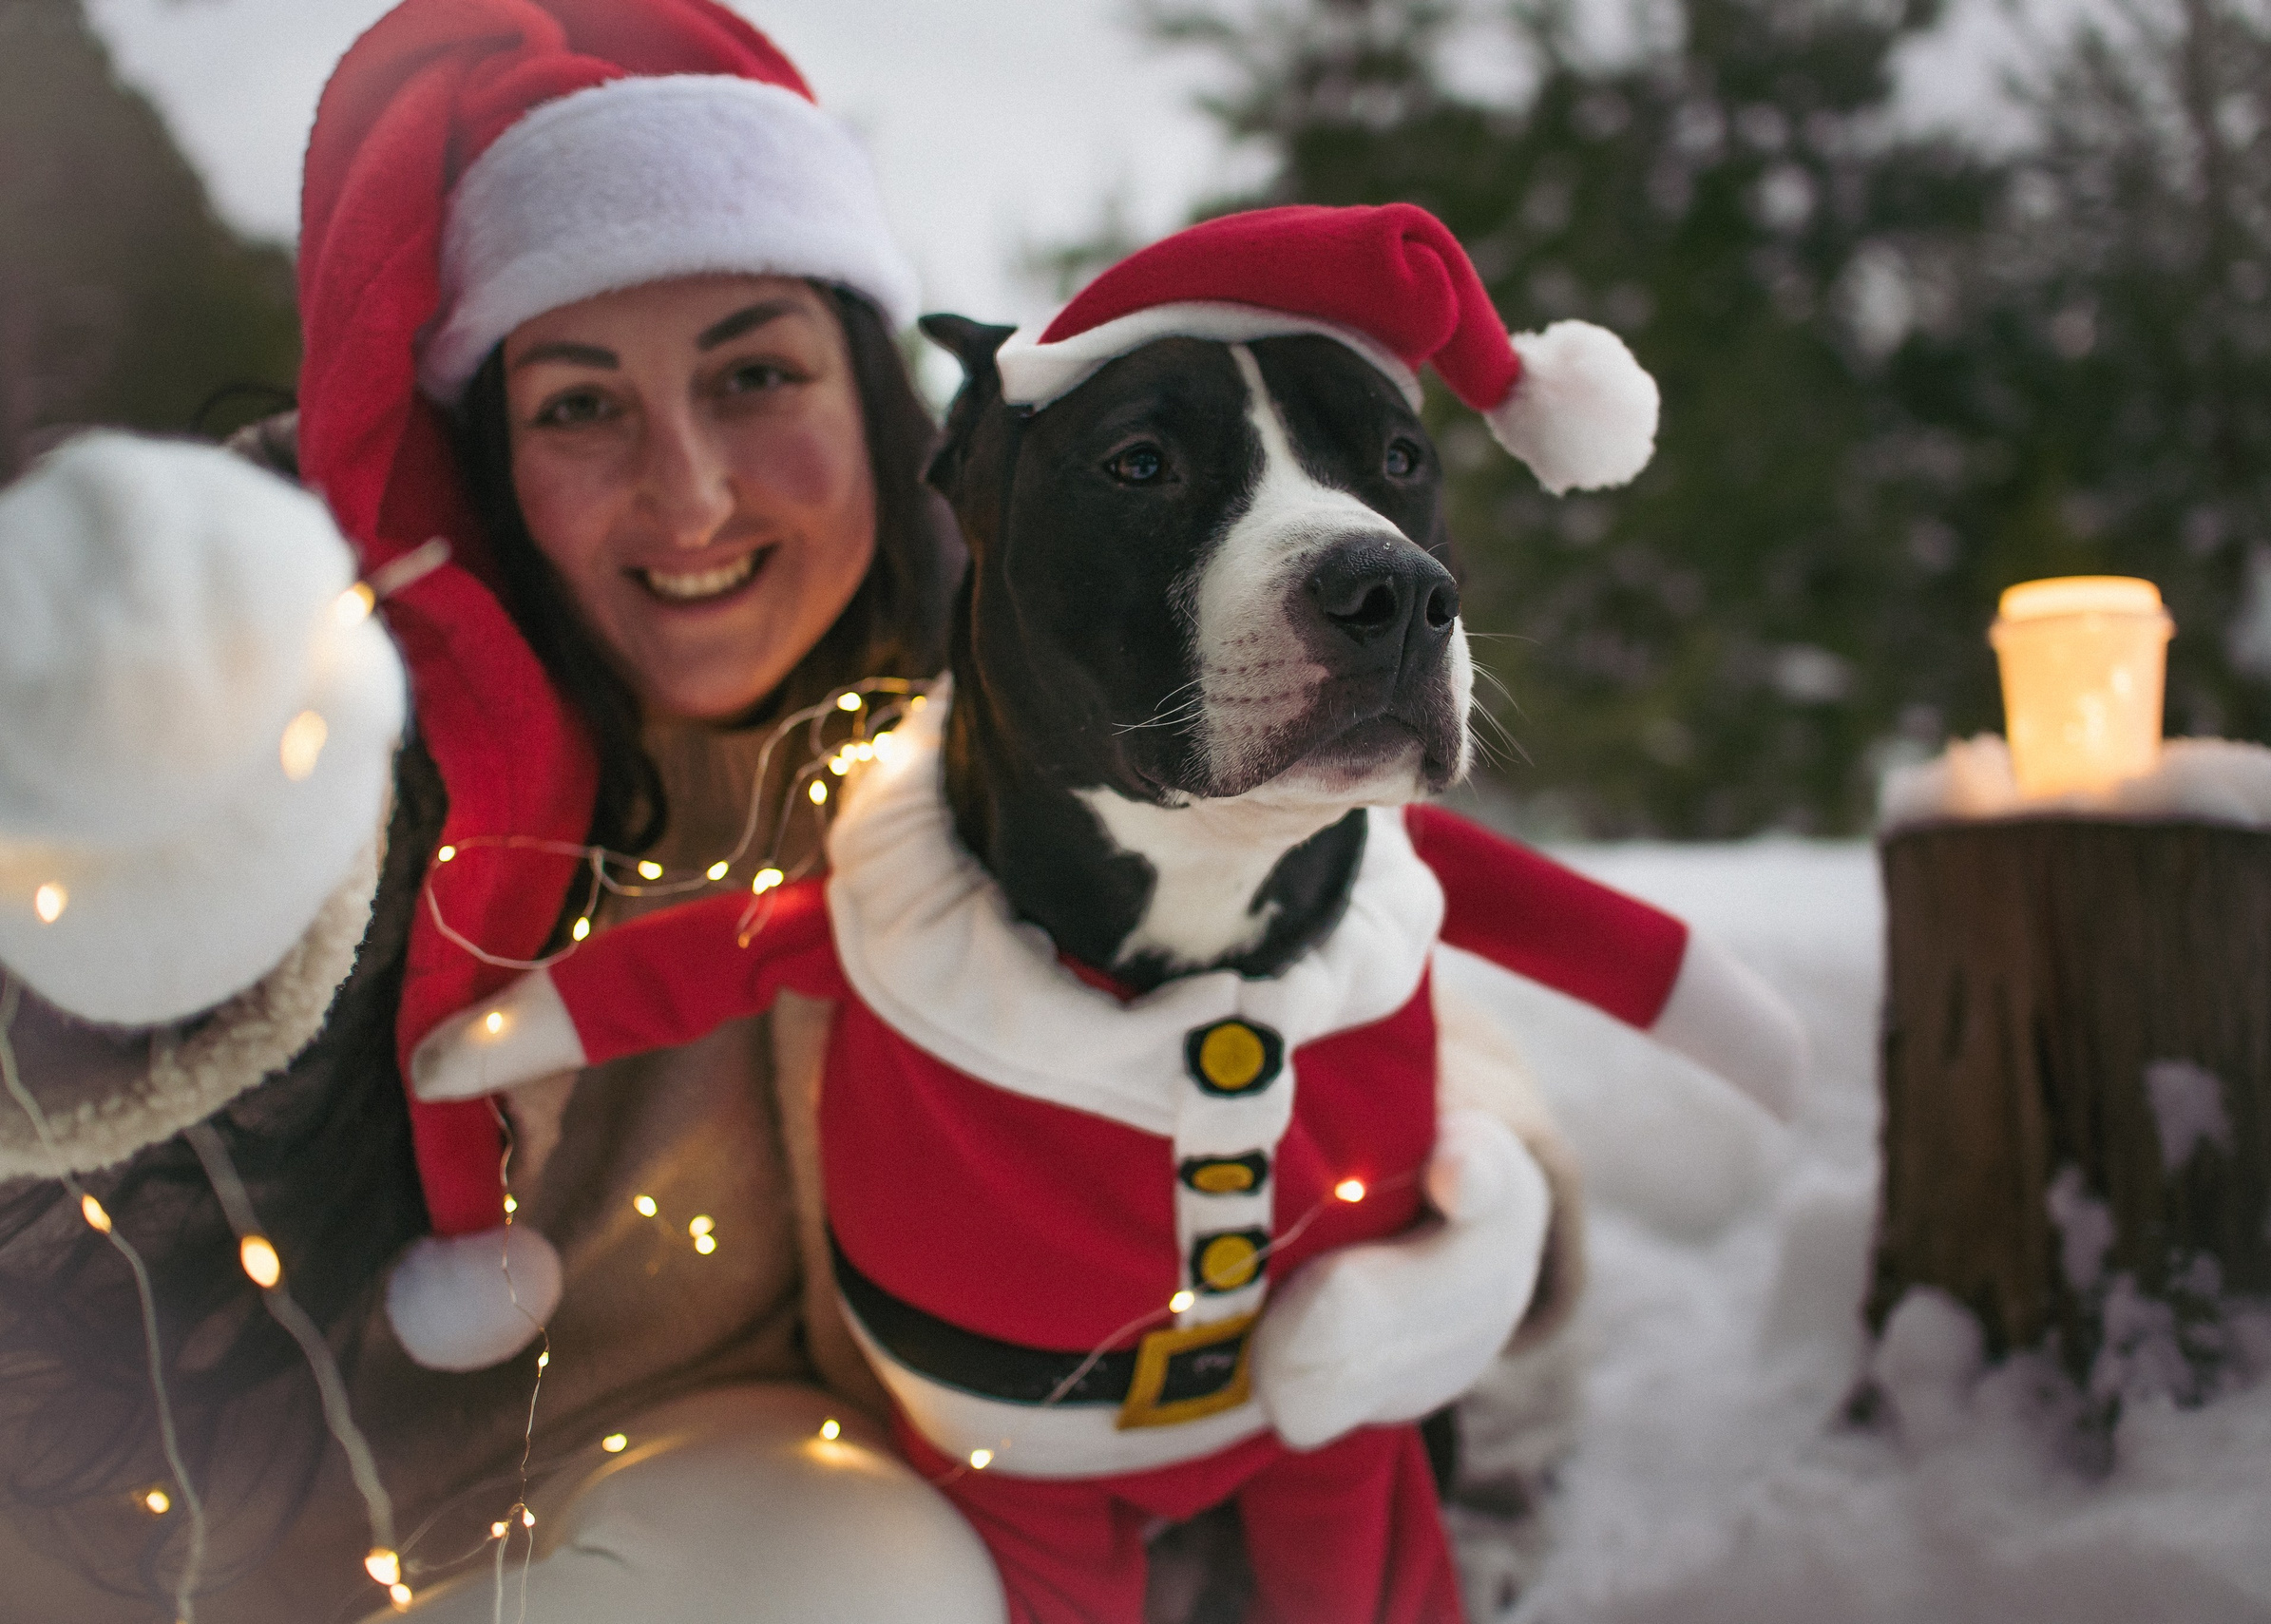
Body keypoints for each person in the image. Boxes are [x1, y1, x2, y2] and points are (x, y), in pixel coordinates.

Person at [0, 2, 1615, 1619]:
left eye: (755, 373)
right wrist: (135, 865)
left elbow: (1325, 940)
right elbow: (75, 995)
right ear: (487, 452)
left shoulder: (1016, 667)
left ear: (872, 392)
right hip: (232, 1541)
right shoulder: (337, 708)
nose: (691, 493)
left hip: (718, 1481)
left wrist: (1486, 1183)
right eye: (579, 405)